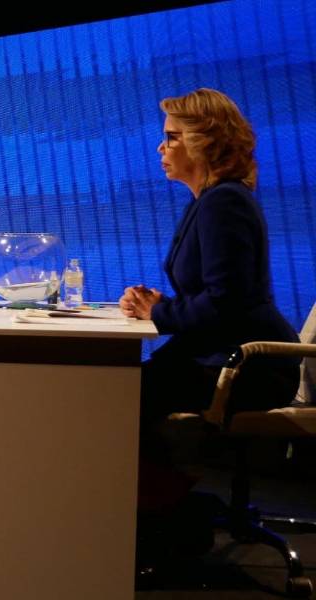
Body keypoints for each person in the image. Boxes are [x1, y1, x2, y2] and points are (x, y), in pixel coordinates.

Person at [120, 89, 300, 558]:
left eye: (172, 137)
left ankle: (170, 521)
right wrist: (161, 304)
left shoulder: (224, 203)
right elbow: (219, 294)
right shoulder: (210, 201)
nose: (161, 147)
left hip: (249, 367)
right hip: (221, 355)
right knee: (120, 392)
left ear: (205, 143)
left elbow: (227, 303)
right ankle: (166, 513)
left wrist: (158, 313)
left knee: (118, 400)